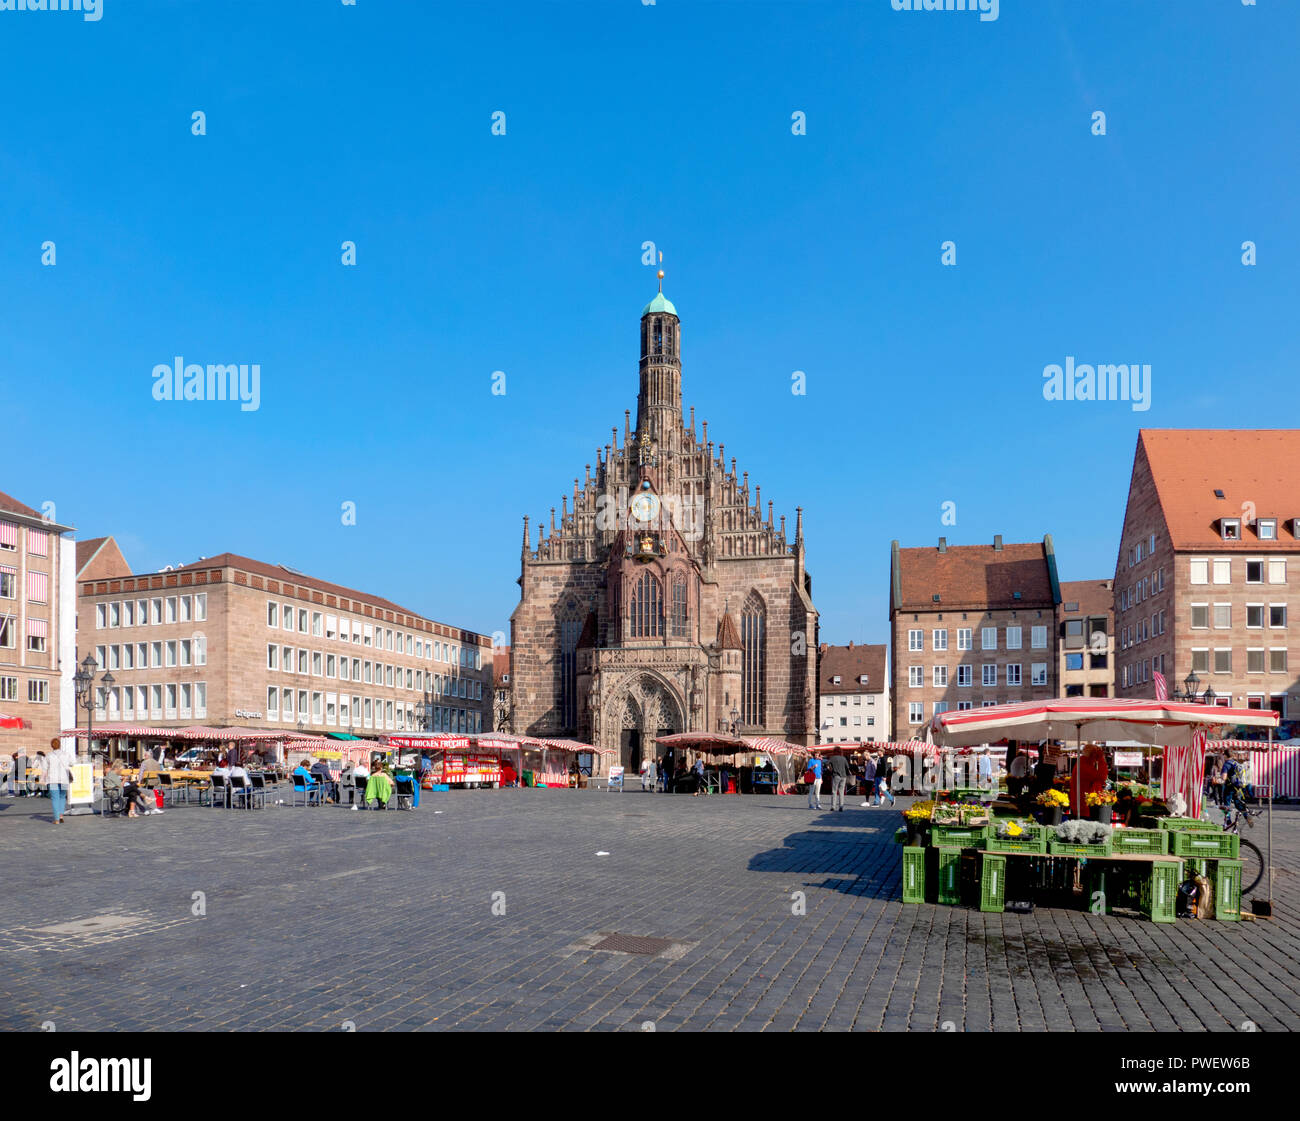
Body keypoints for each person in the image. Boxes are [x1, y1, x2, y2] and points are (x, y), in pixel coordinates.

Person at [45, 740, 74, 824]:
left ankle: (56, 819)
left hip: (53, 779)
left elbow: (44, 767)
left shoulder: (48, 755)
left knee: (55, 798)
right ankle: (61, 816)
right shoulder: (66, 754)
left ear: (51, 746)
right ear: (60, 745)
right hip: (64, 779)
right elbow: (72, 763)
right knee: (62, 797)